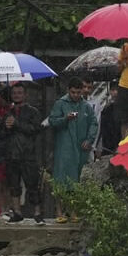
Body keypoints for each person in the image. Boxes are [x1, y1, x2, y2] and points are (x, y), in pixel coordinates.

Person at [49, 76, 98, 223]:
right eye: (73, 92)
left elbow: (94, 124)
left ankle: (73, 211)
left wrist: (89, 140)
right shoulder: (60, 103)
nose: (76, 95)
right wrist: (65, 119)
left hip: (81, 149)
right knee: (61, 180)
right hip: (64, 149)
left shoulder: (86, 106)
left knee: (76, 181)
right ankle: (59, 211)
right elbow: (52, 121)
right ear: (68, 91)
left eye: (78, 92)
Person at [2, 83, 44, 223]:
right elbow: (2, 134)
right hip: (11, 154)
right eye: (14, 93)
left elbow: (36, 129)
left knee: (32, 184)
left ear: (25, 95)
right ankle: (17, 211)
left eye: (20, 93)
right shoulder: (8, 112)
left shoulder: (33, 111)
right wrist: (6, 127)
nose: (17, 95)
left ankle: (37, 212)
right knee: (14, 184)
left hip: (28, 154)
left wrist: (17, 124)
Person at [97, 83, 122, 157]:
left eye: (117, 90)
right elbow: (102, 129)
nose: (115, 92)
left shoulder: (125, 109)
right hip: (108, 146)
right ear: (110, 91)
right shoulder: (106, 109)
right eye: (113, 90)